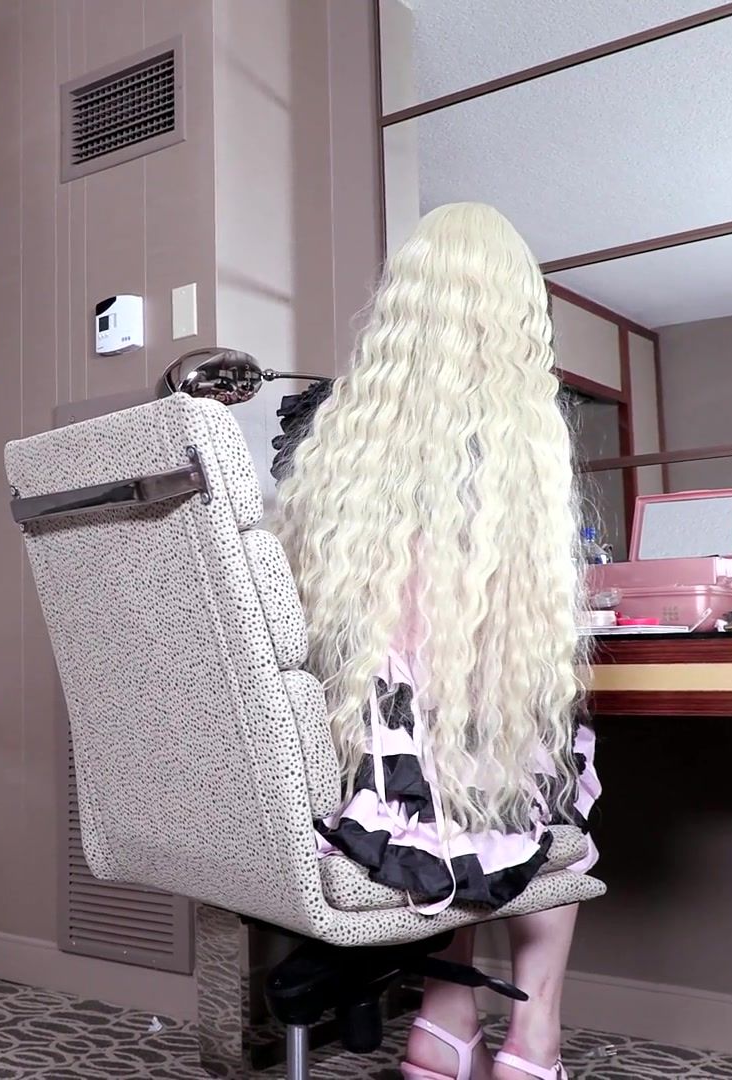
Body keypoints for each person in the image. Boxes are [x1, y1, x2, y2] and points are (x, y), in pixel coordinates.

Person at [273, 202, 599, 1080]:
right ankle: (534, 1038)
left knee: (468, 741)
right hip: (439, 793)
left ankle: (446, 1021)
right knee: (548, 755)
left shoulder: (345, 434)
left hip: (354, 778)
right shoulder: (518, 440)